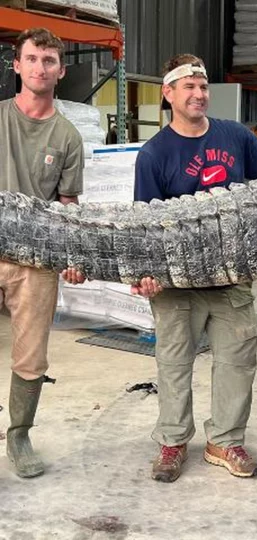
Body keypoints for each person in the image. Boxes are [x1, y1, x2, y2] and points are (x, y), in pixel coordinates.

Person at [132, 53, 257, 483]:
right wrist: (144, 276)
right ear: (169, 93)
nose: (199, 93)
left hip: (231, 278)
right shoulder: (153, 155)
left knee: (238, 361)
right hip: (176, 285)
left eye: (203, 86)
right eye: (189, 86)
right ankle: (172, 442)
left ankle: (225, 441)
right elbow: (144, 225)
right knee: (173, 363)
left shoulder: (234, 135)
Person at [0, 28, 84, 478]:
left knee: (31, 354)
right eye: (31, 58)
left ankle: (19, 435)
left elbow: (67, 208)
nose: (39, 67)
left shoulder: (67, 136)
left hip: (36, 261)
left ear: (60, 71)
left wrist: (71, 256)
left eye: (48, 60)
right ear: (16, 66)